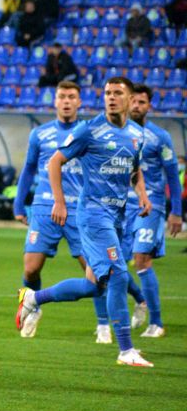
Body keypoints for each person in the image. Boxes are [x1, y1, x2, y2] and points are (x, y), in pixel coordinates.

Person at [15, 78, 154, 367]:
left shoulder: (136, 134)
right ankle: (126, 349)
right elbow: (54, 162)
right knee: (116, 273)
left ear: (130, 99)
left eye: (118, 93)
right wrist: (60, 201)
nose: (111, 98)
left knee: (95, 285)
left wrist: (142, 194)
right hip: (92, 215)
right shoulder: (89, 129)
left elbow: (134, 168)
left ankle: (34, 298)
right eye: (107, 93)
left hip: (116, 216)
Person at [12, 82, 94, 338]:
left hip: (79, 209)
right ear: (55, 101)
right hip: (45, 206)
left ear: (79, 101)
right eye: (62, 97)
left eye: (72, 97)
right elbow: (28, 169)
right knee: (30, 268)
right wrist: (18, 202)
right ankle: (33, 306)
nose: (67, 101)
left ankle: (103, 325)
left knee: (93, 272)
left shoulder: (88, 132)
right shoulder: (40, 133)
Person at [124, 84, 182, 339]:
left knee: (141, 259)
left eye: (142, 102)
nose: (137, 106)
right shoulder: (117, 134)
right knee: (110, 264)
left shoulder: (160, 137)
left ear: (149, 106)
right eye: (133, 101)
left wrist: (176, 212)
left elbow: (172, 176)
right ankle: (140, 300)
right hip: (120, 205)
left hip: (152, 205)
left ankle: (156, 323)